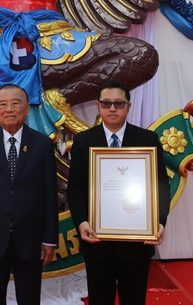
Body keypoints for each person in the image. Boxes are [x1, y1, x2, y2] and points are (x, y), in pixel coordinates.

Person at [67, 79, 171, 305]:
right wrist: (82, 221)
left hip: (136, 242)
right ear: (98, 106)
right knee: (99, 298)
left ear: (128, 106)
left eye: (118, 103)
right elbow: (75, 186)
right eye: (106, 103)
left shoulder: (147, 139)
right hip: (97, 239)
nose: (112, 108)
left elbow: (161, 184)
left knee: (133, 299)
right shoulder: (84, 141)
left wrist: (159, 221)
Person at [0, 84, 59, 304]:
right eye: (2, 104)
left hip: (30, 237)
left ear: (27, 109)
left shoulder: (42, 144)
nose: (9, 109)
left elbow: (50, 195)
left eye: (16, 103)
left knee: (29, 297)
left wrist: (49, 239)